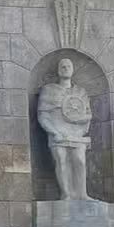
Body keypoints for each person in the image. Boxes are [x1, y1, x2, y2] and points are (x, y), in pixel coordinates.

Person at [36, 56, 92, 200]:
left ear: (73, 70)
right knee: (61, 160)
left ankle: (82, 194)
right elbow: (43, 115)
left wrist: (80, 127)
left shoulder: (81, 92)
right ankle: (66, 194)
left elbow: (88, 115)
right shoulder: (48, 90)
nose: (66, 68)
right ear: (58, 70)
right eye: (63, 66)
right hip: (57, 133)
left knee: (80, 160)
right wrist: (54, 132)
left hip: (76, 134)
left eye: (68, 66)